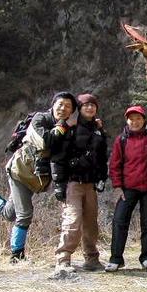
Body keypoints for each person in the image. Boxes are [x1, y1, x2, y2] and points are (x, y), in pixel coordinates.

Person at [0, 92, 77, 262]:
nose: (63, 108)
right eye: (60, 104)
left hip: (35, 178)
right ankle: (16, 255)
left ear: (71, 112)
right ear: (53, 105)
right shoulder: (40, 119)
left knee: (10, 214)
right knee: (25, 214)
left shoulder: (68, 130)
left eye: (68, 106)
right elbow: (45, 142)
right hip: (20, 171)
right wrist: (62, 126)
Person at [52, 93, 108, 274]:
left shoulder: (99, 130)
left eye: (93, 105)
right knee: (73, 220)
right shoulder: (70, 128)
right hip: (72, 182)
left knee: (91, 223)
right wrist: (59, 184)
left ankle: (92, 259)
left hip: (90, 183)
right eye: (86, 105)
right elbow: (59, 157)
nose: (90, 108)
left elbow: (102, 158)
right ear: (80, 108)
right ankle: (63, 259)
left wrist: (102, 178)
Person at [105, 105, 147, 273]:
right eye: (131, 119)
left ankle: (146, 257)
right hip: (128, 188)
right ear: (127, 120)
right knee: (120, 221)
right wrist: (117, 186)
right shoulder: (122, 139)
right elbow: (115, 165)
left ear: (144, 120)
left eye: (138, 118)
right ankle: (116, 258)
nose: (135, 122)